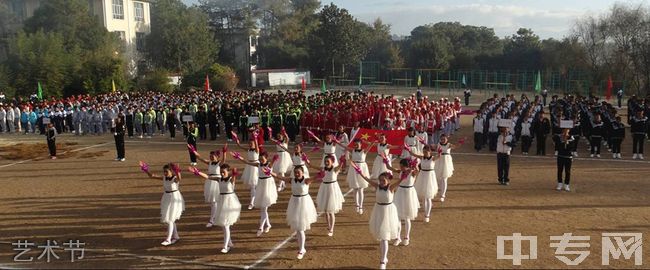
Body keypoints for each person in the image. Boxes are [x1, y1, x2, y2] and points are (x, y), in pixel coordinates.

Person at [189, 164, 241, 253]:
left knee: (225, 225)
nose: (221, 173)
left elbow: (233, 177)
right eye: (220, 172)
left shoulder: (230, 179)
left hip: (230, 203)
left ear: (227, 172)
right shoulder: (219, 179)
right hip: (221, 201)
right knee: (223, 225)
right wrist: (197, 172)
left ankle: (225, 246)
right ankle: (230, 242)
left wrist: (234, 174)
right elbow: (208, 177)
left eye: (223, 172)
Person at [354, 170, 400, 270]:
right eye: (380, 180)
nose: (381, 182)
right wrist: (360, 172)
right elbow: (366, 178)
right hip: (378, 212)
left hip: (388, 212)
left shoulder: (391, 188)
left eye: (383, 180)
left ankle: (383, 260)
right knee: (381, 235)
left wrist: (407, 173)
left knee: (384, 237)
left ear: (388, 180)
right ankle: (384, 257)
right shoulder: (377, 186)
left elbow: (400, 181)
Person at [270, 167, 318, 260]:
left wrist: (320, 175)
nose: (296, 174)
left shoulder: (306, 180)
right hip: (294, 203)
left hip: (304, 204)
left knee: (300, 228)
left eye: (298, 172)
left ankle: (301, 249)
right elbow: (279, 177)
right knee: (298, 228)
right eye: (295, 172)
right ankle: (302, 248)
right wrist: (270, 172)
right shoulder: (291, 180)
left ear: (302, 173)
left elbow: (315, 177)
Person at [232, 150, 278, 236]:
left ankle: (261, 227)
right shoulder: (258, 164)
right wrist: (239, 157)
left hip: (268, 186)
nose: (260, 160)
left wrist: (274, 159)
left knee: (264, 208)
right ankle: (268, 225)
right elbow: (247, 162)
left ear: (266, 158)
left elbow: (271, 163)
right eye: (260, 159)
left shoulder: (269, 164)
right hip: (261, 185)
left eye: (262, 159)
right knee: (263, 208)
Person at [138, 162, 185, 246]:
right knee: (170, 218)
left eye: (167, 172)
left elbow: (179, 179)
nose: (165, 173)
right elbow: (152, 176)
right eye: (164, 172)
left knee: (170, 219)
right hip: (166, 198)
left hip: (174, 198)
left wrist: (177, 171)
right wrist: (146, 170)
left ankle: (168, 239)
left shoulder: (174, 178)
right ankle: (176, 236)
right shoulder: (164, 178)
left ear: (171, 171)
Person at [189, 145, 228, 227]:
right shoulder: (209, 162)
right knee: (213, 202)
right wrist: (193, 150)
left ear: (217, 156)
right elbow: (199, 158)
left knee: (215, 201)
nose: (211, 157)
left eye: (212, 156)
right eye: (210, 156)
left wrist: (224, 152)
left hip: (216, 182)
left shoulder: (219, 163)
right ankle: (216, 217)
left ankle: (212, 219)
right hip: (210, 181)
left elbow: (224, 160)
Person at [306, 155, 344, 236]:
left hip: (332, 190)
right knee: (326, 211)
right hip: (324, 189)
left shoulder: (335, 169)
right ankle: (329, 226)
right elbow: (311, 166)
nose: (326, 163)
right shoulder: (322, 169)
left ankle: (331, 229)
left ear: (332, 162)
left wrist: (341, 161)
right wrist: (307, 160)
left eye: (328, 161)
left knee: (331, 211)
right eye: (325, 161)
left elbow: (340, 166)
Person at [384, 158, 419, 246]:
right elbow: (390, 168)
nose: (400, 167)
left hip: (409, 194)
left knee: (407, 217)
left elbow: (417, 171)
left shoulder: (412, 172)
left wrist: (415, 165)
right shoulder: (400, 171)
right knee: (398, 216)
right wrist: (386, 160)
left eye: (402, 166)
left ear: (406, 166)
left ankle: (407, 237)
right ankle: (397, 237)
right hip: (400, 193)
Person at [338, 138, 374, 214]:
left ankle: (360, 206)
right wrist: (336, 141)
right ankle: (356, 205)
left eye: (357, 144)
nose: (356, 145)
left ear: (361, 144)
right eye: (355, 144)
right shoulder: (352, 150)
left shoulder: (364, 151)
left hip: (362, 169)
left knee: (361, 189)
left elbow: (371, 144)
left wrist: (369, 141)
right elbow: (344, 146)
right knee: (355, 188)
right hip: (354, 168)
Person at [406, 145, 438, 222]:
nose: (424, 153)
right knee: (423, 197)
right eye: (423, 151)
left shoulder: (433, 158)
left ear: (430, 151)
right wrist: (408, 149)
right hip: (422, 176)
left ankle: (427, 215)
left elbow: (439, 156)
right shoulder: (422, 157)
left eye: (426, 151)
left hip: (430, 177)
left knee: (428, 197)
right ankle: (425, 212)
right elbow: (413, 154)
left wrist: (440, 152)